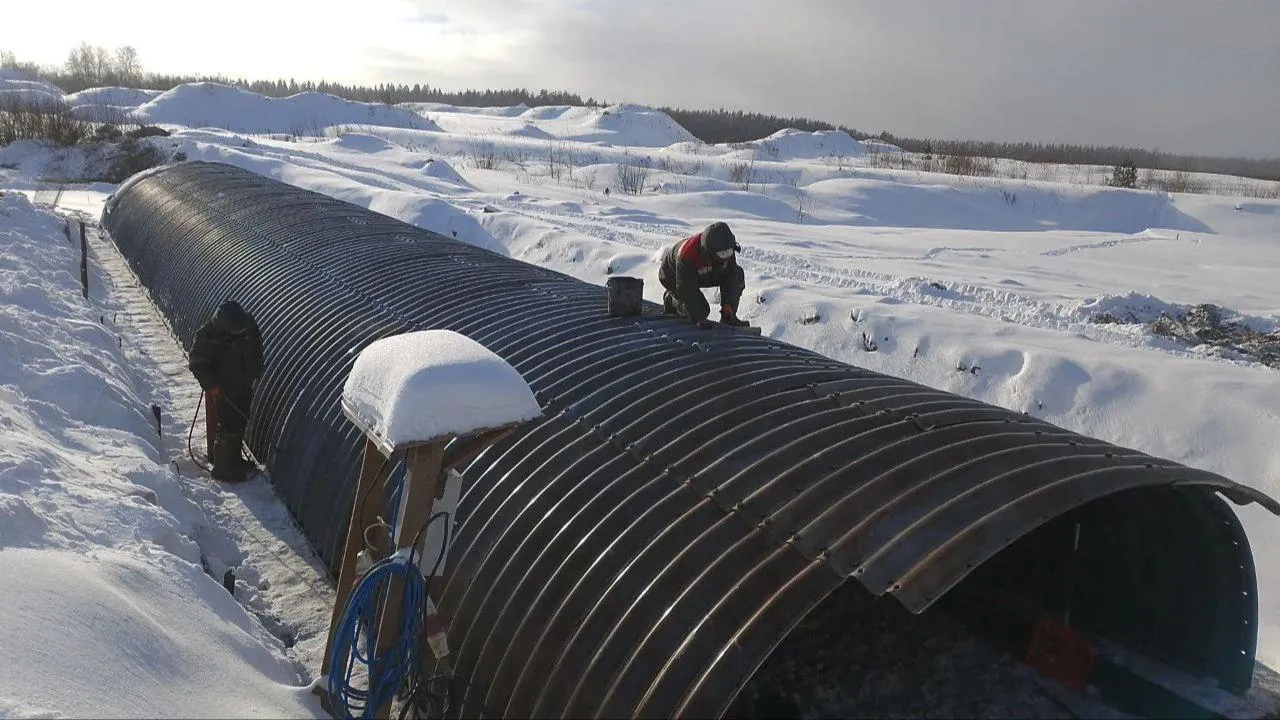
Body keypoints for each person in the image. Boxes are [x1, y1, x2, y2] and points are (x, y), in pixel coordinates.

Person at [188, 300, 263, 482]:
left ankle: (234, 460)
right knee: (228, 426)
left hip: (244, 383)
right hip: (225, 388)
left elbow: (257, 347)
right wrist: (212, 386)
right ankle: (223, 468)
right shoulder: (210, 336)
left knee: (240, 422)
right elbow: (197, 362)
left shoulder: (247, 326)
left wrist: (256, 369)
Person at [658, 221, 750, 329]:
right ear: (709, 251)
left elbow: (731, 276)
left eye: (729, 252)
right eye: (722, 254)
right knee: (701, 309)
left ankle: (728, 319)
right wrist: (699, 318)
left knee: (737, 275)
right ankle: (672, 300)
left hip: (702, 271)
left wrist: (729, 306)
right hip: (672, 276)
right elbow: (686, 289)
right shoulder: (687, 255)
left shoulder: (725, 248)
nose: (726, 257)